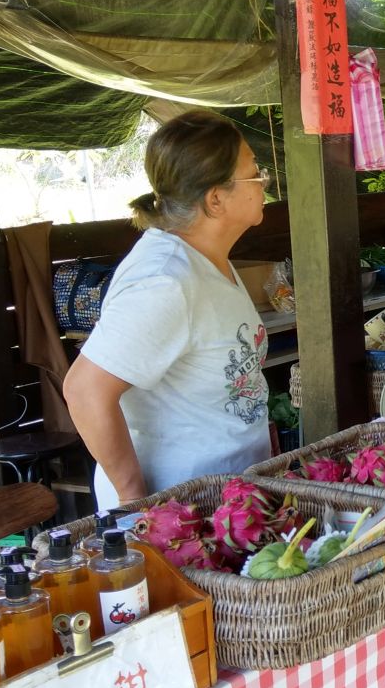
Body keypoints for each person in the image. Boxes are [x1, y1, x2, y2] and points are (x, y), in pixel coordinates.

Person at [65, 111, 273, 508]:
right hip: (179, 515)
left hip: (225, 503)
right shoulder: (165, 282)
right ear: (215, 198)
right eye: (254, 173)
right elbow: (85, 389)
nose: (264, 182)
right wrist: (134, 502)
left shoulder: (207, 259)